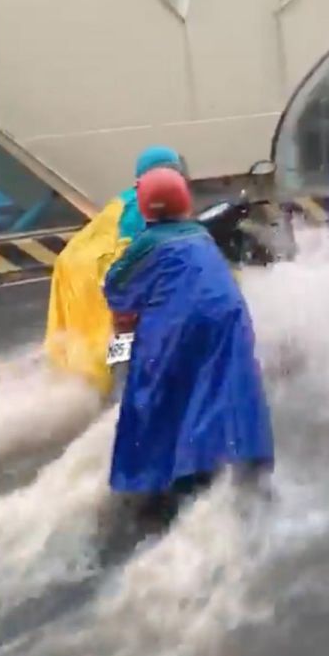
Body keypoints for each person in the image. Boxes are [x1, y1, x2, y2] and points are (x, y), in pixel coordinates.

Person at [104, 167, 274, 502]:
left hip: (176, 325)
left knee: (159, 389)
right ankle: (237, 463)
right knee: (225, 387)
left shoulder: (145, 243)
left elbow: (116, 288)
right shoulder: (200, 235)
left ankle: (158, 479)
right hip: (229, 319)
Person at [44, 146, 185, 396]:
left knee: (82, 339)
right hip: (96, 272)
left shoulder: (129, 197)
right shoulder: (142, 203)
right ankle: (111, 395)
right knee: (111, 335)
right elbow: (129, 252)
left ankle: (80, 391)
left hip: (75, 267)